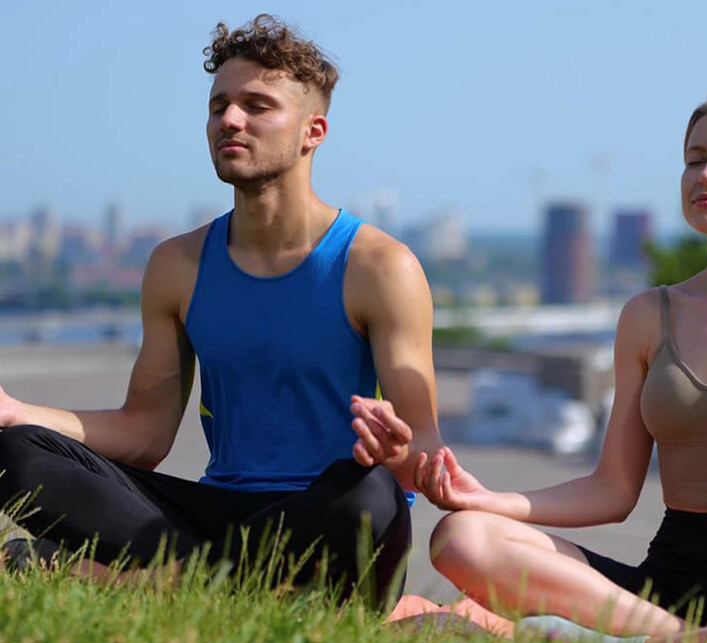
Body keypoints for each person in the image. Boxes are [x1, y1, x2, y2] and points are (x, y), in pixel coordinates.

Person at [359, 91, 707, 643]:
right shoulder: (648, 316)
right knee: (465, 536)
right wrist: (488, 498)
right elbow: (612, 490)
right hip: (662, 591)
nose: (706, 174)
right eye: (694, 159)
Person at [0, 14, 441, 609]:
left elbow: (425, 456)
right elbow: (145, 434)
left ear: (314, 131)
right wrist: (17, 411)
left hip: (326, 515)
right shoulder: (177, 264)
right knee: (17, 451)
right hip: (211, 516)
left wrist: (396, 454)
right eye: (219, 106)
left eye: (257, 106)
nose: (229, 120)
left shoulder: (382, 267)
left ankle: (133, 580)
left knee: (371, 496)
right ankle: (208, 587)